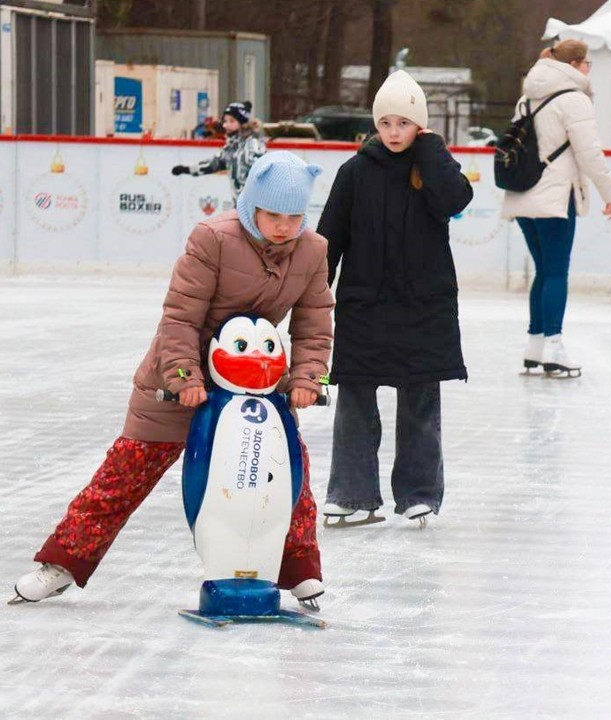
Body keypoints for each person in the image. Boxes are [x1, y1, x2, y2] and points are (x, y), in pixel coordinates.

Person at [12, 151, 334, 610]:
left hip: (256, 384)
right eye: (273, 215)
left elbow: (315, 321)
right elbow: (180, 317)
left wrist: (307, 377)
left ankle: (300, 570)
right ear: (252, 207)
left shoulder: (312, 249)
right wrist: (184, 376)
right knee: (126, 471)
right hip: (179, 378)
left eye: (295, 216)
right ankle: (63, 564)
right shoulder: (213, 239)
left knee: (287, 472)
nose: (284, 226)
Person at [317, 70, 473, 526]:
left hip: (424, 307)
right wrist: (313, 297)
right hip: (365, 306)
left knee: (421, 400)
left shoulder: (432, 168)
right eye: (385, 123)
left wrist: (432, 150)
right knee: (355, 401)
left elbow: (456, 199)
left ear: (419, 126)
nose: (393, 133)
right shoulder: (354, 172)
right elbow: (330, 238)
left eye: (404, 123)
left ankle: (419, 493)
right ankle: (351, 493)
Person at [502, 40, 611, 376]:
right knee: (555, 271)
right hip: (554, 197)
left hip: (523, 194)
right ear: (575, 65)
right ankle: (553, 345)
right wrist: (609, 193)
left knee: (544, 270)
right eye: (588, 65)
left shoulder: (528, 96)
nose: (589, 71)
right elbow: (589, 152)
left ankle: (535, 344)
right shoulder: (574, 99)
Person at [171, 100, 266, 199]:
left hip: (257, 206)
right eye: (225, 121)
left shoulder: (252, 145)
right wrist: (187, 169)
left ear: (243, 124)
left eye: (232, 121)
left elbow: (264, 173)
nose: (226, 125)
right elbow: (213, 164)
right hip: (240, 205)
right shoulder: (232, 147)